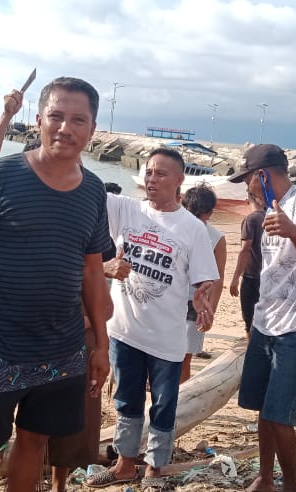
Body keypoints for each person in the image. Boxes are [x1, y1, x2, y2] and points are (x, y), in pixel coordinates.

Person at [0, 77, 112, 492]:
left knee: (35, 441)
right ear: (38, 120)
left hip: (64, 350)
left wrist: (101, 345)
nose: (65, 128)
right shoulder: (0, 175)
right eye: (56, 116)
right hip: (0, 347)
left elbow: (92, 272)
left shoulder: (93, 191)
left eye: (78, 120)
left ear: (92, 129)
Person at [85, 147, 219, 490]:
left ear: (180, 180)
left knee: (163, 404)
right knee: (126, 400)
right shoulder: (125, 208)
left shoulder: (192, 228)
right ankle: (125, 464)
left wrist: (205, 298)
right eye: (148, 172)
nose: (152, 178)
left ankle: (155, 469)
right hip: (124, 331)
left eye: (161, 173)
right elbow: (83, 184)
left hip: (166, 338)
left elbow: (205, 278)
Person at [232, 144, 296, 492]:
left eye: (248, 179)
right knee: (262, 408)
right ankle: (265, 477)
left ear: (262, 175)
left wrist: (293, 231)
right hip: (265, 321)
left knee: (279, 414)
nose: (246, 188)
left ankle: (291, 484)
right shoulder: (265, 210)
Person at [179, 183, 226, 382]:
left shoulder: (215, 238)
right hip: (171, 300)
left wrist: (210, 312)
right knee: (171, 356)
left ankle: (178, 401)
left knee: (184, 357)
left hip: (193, 305)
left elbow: (218, 279)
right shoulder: (174, 228)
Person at [230, 194, 264, 334]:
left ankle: (252, 352)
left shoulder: (251, 219)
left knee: (249, 321)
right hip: (268, 275)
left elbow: (245, 249)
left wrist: (235, 278)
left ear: (246, 201)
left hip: (252, 276)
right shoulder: (269, 217)